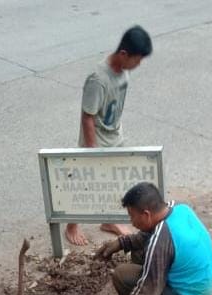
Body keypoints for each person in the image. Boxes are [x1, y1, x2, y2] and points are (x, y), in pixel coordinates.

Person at [65, 25, 153, 247]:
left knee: (115, 179)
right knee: (85, 182)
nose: (138, 65)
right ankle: (72, 225)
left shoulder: (123, 71)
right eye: (137, 60)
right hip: (97, 139)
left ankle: (108, 221)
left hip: (114, 135)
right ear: (124, 54)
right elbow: (87, 116)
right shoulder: (98, 79)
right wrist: (92, 150)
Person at [94, 182, 212, 295]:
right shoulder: (179, 208)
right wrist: (122, 242)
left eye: (132, 216)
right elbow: (150, 234)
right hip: (203, 291)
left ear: (146, 215)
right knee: (138, 252)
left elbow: (148, 289)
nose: (131, 222)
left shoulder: (161, 241)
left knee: (122, 274)